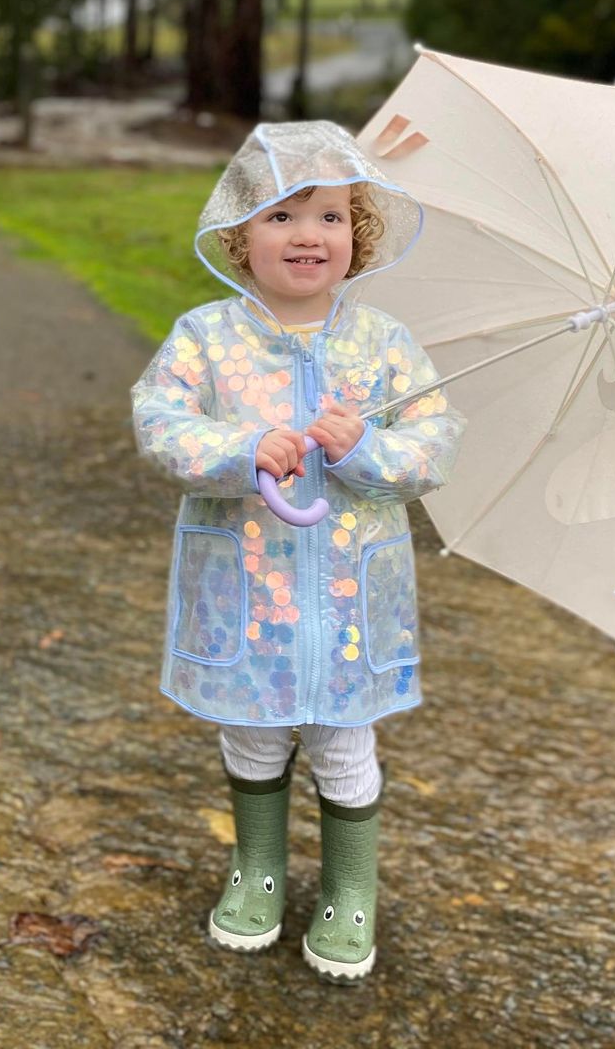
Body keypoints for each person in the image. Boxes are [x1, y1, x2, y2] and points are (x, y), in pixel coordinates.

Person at [131, 121, 463, 981]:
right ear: (240, 237)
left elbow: (434, 447)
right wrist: (244, 453)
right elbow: (160, 426)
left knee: (346, 745)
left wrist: (363, 451)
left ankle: (352, 893)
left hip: (352, 602)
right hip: (246, 589)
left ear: (357, 236)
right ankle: (259, 868)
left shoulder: (386, 347)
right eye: (281, 216)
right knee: (253, 734)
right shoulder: (206, 338)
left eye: (328, 217)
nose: (307, 235)